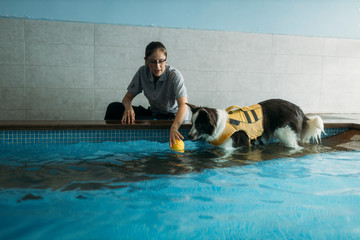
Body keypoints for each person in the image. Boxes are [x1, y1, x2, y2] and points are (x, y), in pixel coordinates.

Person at [104, 41, 188, 148]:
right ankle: (109, 142)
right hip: (154, 114)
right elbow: (127, 98)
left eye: (161, 61)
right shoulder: (142, 72)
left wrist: (174, 128)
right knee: (113, 108)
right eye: (153, 61)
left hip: (173, 117)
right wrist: (128, 107)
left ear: (165, 60)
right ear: (146, 61)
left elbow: (183, 105)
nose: (157, 66)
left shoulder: (174, 75)